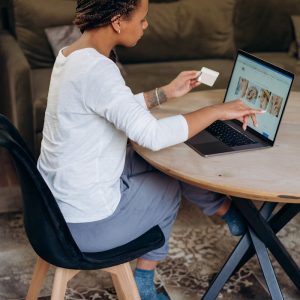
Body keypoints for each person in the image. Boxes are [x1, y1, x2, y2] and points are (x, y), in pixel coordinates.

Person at [37, 0, 264, 299]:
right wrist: (216, 111)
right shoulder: (98, 70)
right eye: (143, 19)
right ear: (118, 21)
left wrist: (166, 93)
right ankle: (145, 284)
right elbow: (153, 135)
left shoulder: (72, 55)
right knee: (168, 184)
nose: (146, 25)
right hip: (82, 227)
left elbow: (113, 106)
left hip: (51, 209)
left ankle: (226, 211)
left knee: (166, 161)